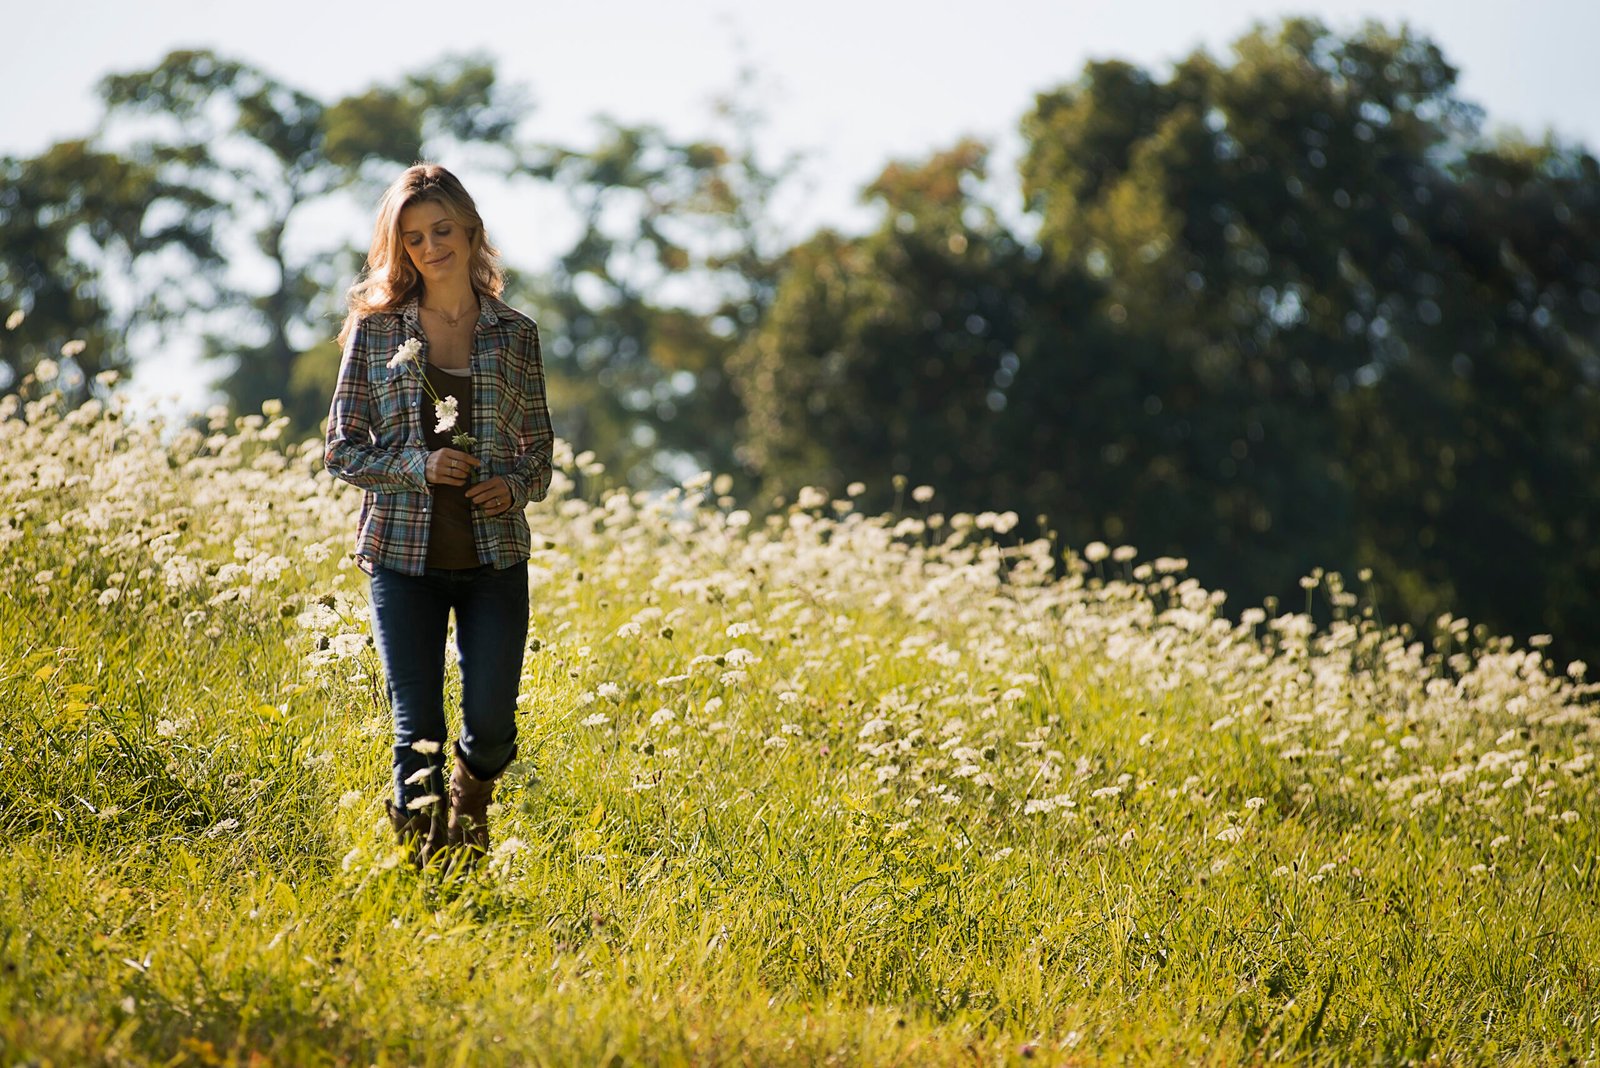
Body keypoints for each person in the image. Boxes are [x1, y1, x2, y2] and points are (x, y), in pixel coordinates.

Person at [324, 163, 553, 868]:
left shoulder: (516, 335)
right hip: (401, 557)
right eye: (414, 237)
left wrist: (512, 486)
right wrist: (417, 468)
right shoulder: (376, 330)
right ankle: (430, 873)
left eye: (443, 230)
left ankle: (472, 796)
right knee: (415, 727)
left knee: (490, 726)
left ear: (472, 230)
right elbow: (341, 448)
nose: (431, 247)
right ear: (401, 246)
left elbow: (538, 452)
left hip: (494, 559)